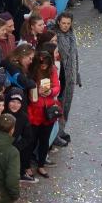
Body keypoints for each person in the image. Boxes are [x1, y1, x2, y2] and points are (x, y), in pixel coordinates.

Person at [25, 51, 60, 179]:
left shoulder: (52, 70)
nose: (43, 65)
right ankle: (27, 165)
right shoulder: (32, 71)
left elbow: (57, 87)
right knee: (31, 140)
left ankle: (41, 164)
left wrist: (50, 91)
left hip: (48, 110)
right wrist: (36, 89)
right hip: (34, 110)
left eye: (45, 63)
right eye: (41, 63)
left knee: (44, 140)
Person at [55, 12, 80, 146]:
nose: (65, 26)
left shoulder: (72, 34)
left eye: (68, 23)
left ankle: (62, 129)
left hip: (70, 76)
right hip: (61, 76)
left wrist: (77, 75)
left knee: (67, 106)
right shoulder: (56, 36)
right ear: (58, 22)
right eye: (63, 23)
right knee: (59, 105)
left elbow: (75, 55)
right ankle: (57, 133)